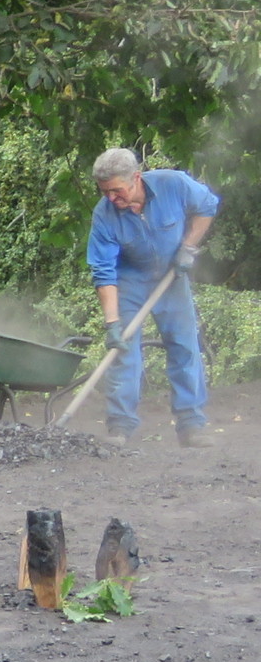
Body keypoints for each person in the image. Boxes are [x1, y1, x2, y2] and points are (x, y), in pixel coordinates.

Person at [87, 148, 219, 446]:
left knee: (184, 346)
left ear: (136, 178)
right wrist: (112, 323)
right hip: (130, 281)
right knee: (124, 352)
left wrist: (188, 247)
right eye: (105, 192)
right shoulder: (104, 215)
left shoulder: (173, 184)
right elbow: (103, 271)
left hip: (171, 277)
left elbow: (208, 205)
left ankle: (191, 425)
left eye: (116, 191)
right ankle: (120, 427)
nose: (111, 198)